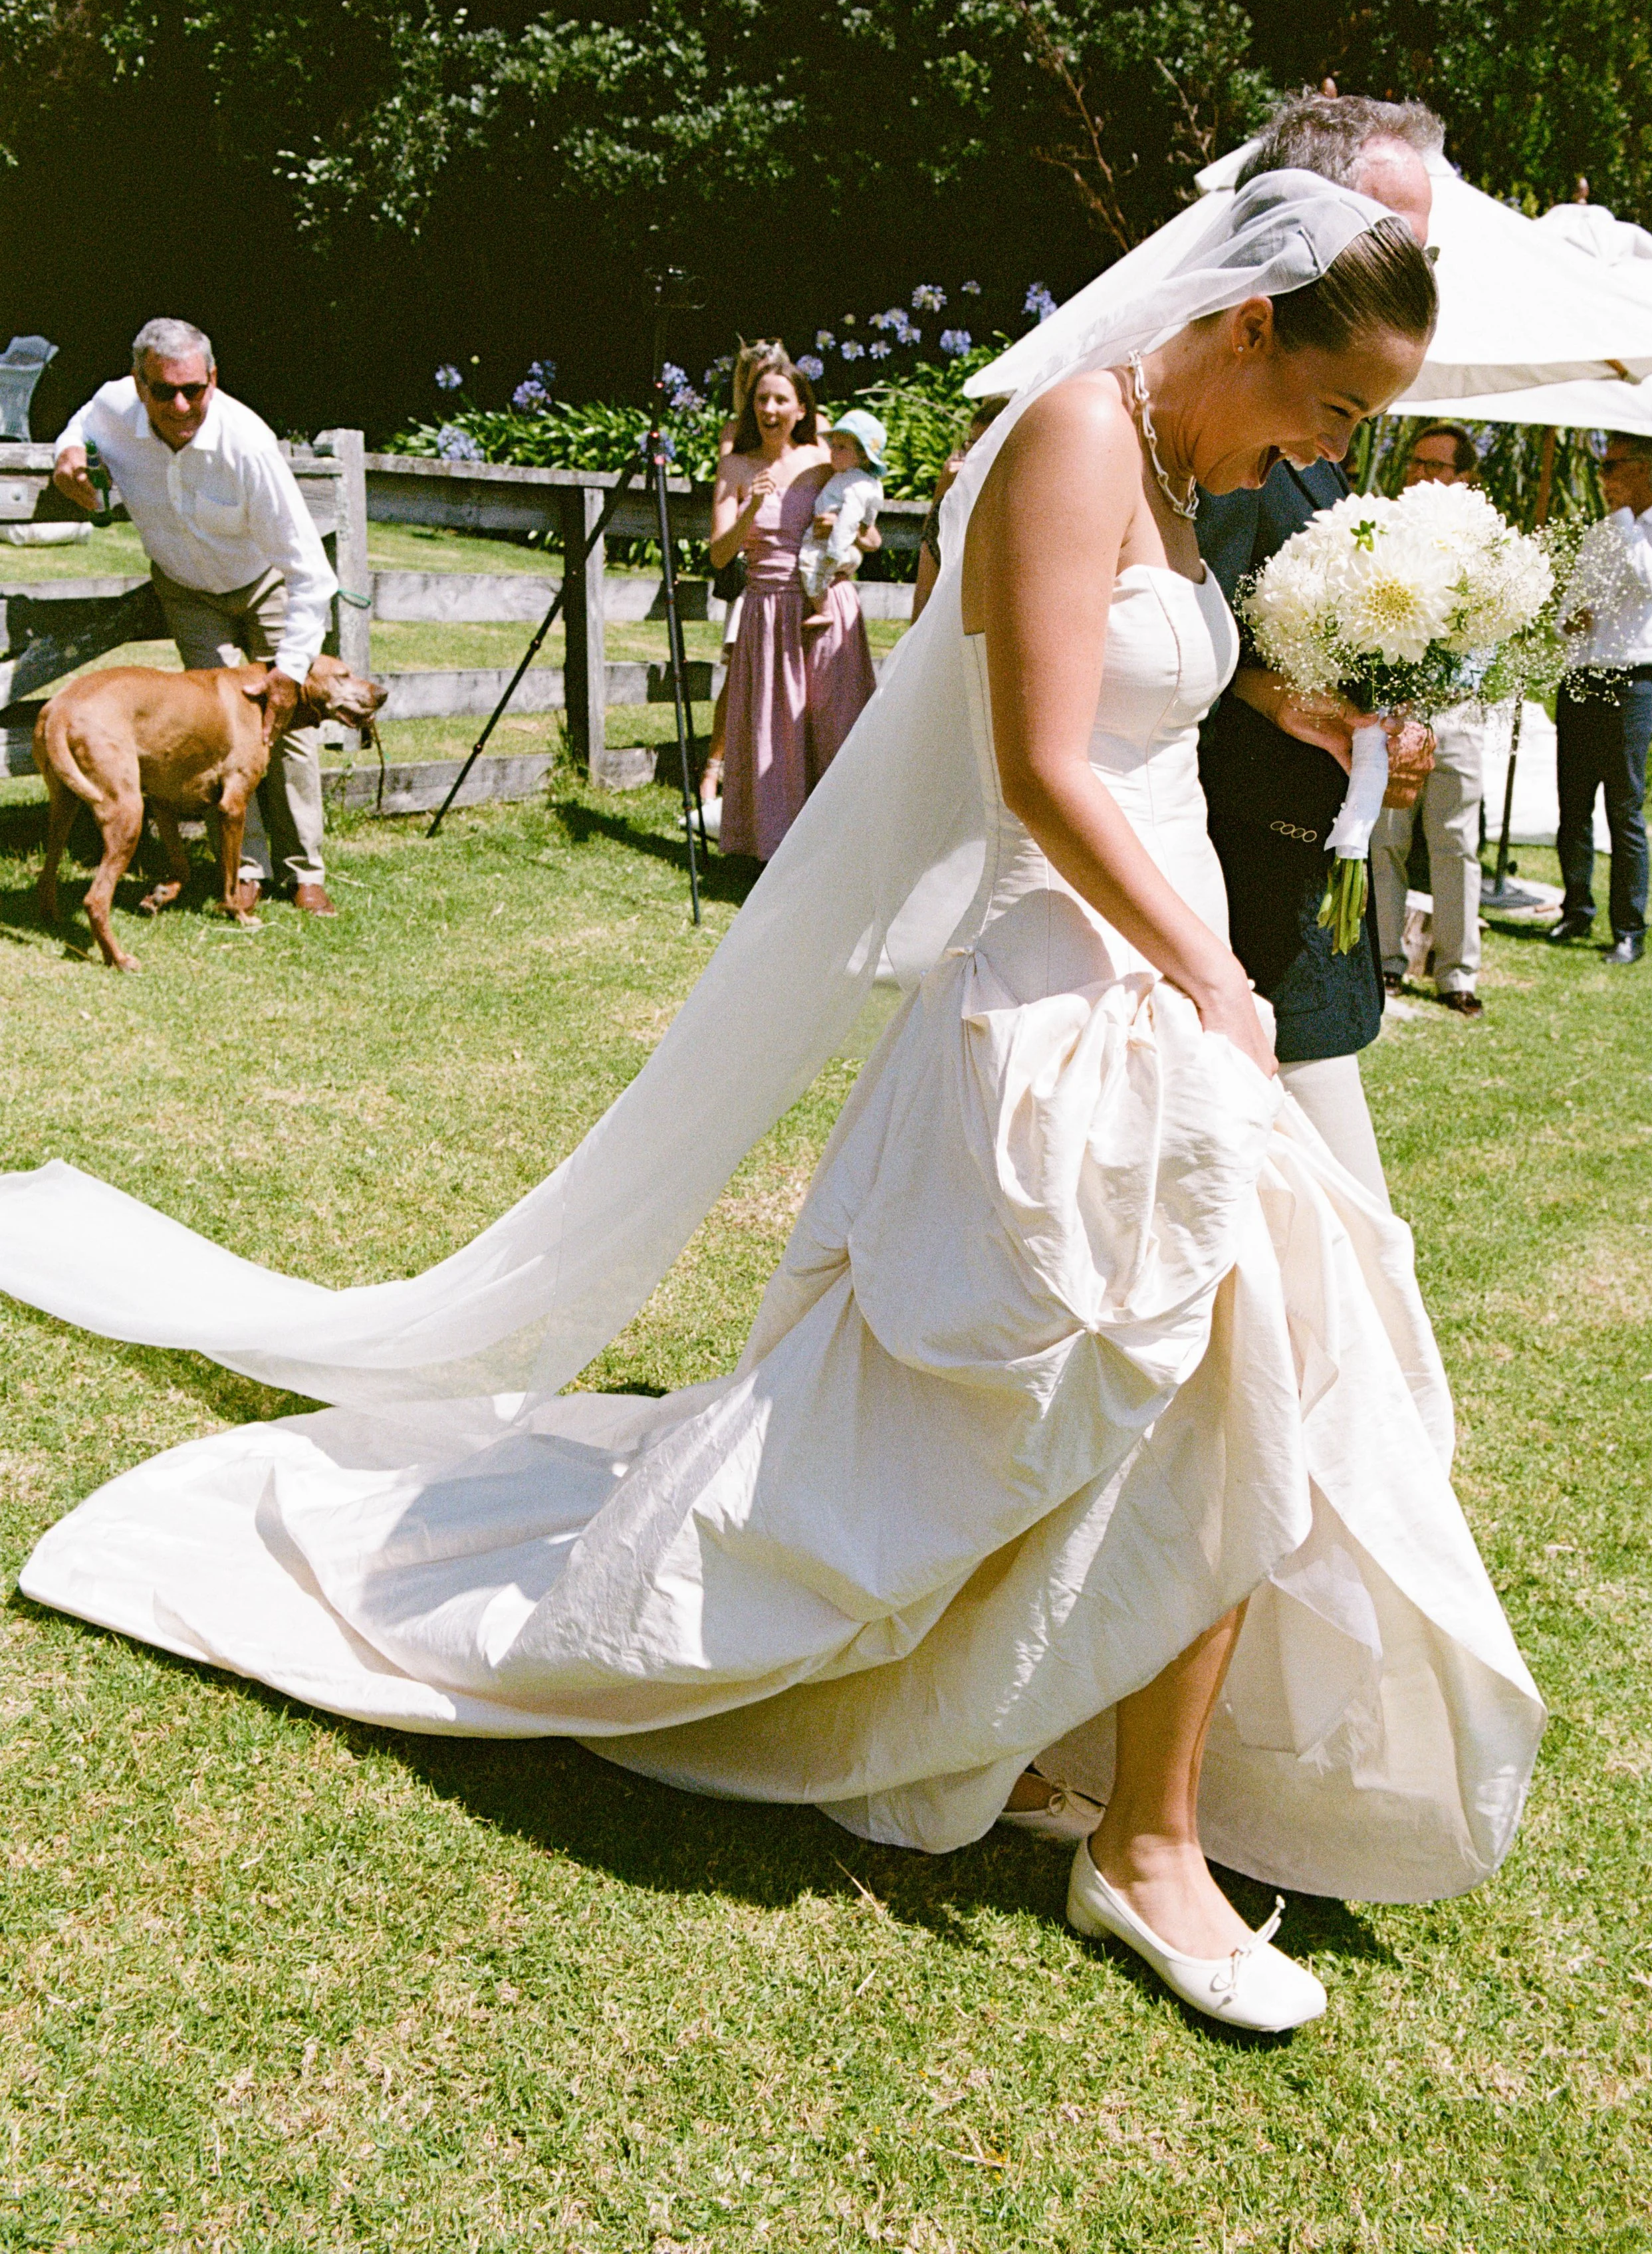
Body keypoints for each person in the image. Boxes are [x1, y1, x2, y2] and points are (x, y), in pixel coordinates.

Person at [9, 175, 1542, 2039]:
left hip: (1157, 968)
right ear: (1246, 327)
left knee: (1211, 1361)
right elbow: (1046, 766)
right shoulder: (1071, 433)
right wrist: (1208, 980)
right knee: (1211, 1349)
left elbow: (1146, 737)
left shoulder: (1166, 460)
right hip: (1072, 982)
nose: (1327, 451)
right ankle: (1141, 1847)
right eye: (1333, 410)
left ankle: (1096, 1773)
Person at [1197, 92, 1441, 1201]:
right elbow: (1172, 659)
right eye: (1390, 243)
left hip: (1310, 884)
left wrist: (1384, 733)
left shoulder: (1319, 440)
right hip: (1238, 895)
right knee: (1347, 1239)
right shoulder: (1233, 446)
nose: (1412, 274)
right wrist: (1278, 695)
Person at [53, 318, 342, 916]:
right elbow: (83, 415)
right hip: (187, 591)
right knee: (215, 736)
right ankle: (246, 870)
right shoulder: (115, 407)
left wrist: (288, 671)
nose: (181, 405)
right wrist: (68, 451)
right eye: (164, 392)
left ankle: (306, 869)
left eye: (195, 389)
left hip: (265, 583)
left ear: (214, 379)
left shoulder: (248, 445)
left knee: (282, 725)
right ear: (139, 385)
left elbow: (312, 572)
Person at [709, 352, 877, 859]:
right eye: (761, 399)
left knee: (836, 722)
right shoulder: (735, 467)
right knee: (776, 733)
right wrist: (751, 509)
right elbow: (719, 554)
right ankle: (773, 849)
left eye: (781, 399)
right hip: (766, 611)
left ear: (802, 409)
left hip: (827, 604)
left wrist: (845, 536)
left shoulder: (824, 465)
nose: (770, 408)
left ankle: (847, 849)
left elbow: (872, 535)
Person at [1369, 423, 1488, 1016]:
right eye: (1414, 462)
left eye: (1436, 465)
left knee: (1456, 843)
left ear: (1465, 479)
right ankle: (1387, 962)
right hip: (1396, 712)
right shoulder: (1384, 533)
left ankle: (1456, 974)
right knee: (1386, 840)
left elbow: (1495, 623)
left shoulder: (1485, 545)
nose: (1420, 474)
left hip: (1460, 710)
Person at [1550, 430, 1652, 964]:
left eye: (1613, 465)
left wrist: (1625, 523)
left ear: (1645, 468)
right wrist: (1566, 621)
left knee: (1624, 808)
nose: (1604, 477)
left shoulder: (1650, 529)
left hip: (1630, 679)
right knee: (1573, 804)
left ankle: (1629, 927)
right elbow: (1568, 607)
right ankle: (1576, 910)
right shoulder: (1600, 533)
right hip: (1581, 678)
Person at [911, 399, 1008, 620]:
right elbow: (924, 591)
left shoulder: (1019, 509)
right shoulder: (949, 511)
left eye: (986, 446)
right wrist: (943, 489)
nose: (974, 455)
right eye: (972, 445)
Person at [798, 410, 886, 631]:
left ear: (864, 456)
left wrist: (835, 548)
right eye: (833, 446)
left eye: (842, 448)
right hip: (835, 548)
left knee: (809, 565)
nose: (833, 453)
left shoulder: (856, 485)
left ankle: (824, 610)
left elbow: (855, 523)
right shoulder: (846, 479)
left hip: (830, 549)